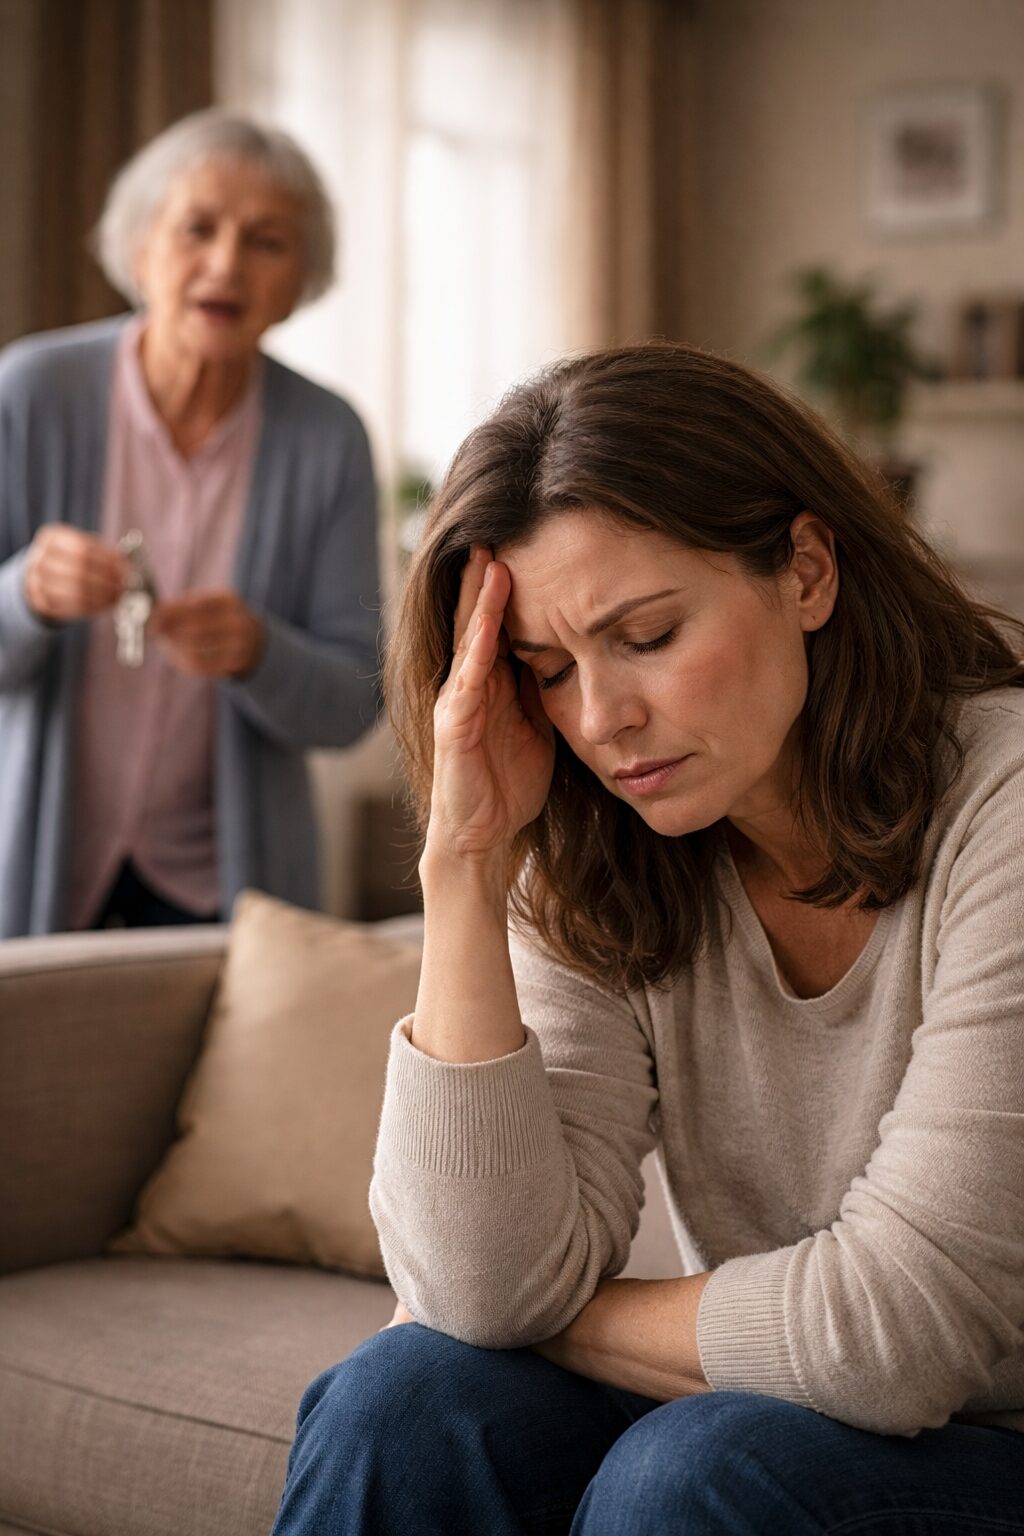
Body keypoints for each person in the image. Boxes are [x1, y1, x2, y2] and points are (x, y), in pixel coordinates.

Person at [273, 346, 1024, 1534]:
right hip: (796, 1408)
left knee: (698, 1468)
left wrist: (550, 1310)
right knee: (402, 1399)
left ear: (808, 572)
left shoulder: (1008, 802)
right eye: (548, 671)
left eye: (648, 635)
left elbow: (894, 1335)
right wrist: (464, 865)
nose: (600, 720)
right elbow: (469, 1291)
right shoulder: (600, 841)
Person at [0, 111, 380, 937]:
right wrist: (25, 594)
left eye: (267, 241)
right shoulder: (29, 395)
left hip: (226, 887)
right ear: (140, 249)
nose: (225, 265)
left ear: (300, 281)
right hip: (26, 866)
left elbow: (357, 703)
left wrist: (259, 652)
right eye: (197, 229)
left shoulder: (329, 437)